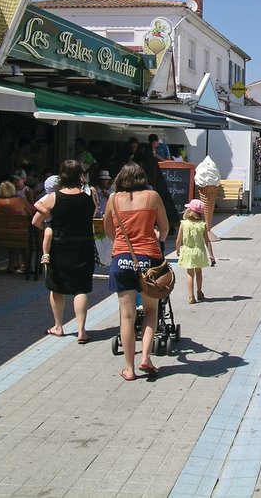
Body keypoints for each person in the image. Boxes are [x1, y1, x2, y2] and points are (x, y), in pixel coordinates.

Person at [104, 162, 170, 381]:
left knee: (127, 316)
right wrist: (156, 240)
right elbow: (165, 228)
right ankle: (146, 357)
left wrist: (122, 245)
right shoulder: (152, 197)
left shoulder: (113, 199)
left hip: (121, 259)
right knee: (151, 311)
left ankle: (129, 369)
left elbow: (108, 230)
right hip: (149, 259)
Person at [31, 161, 95, 344]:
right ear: (80, 176)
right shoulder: (88, 197)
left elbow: (36, 221)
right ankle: (82, 330)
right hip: (83, 246)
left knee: (57, 287)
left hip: (60, 247)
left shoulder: (53, 197)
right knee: (81, 288)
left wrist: (49, 226)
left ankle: (58, 326)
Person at [176, 198, 215, 304]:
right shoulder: (202, 225)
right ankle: (199, 291)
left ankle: (191, 296)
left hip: (187, 251)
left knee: (189, 274)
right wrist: (211, 255)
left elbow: (178, 240)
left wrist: (178, 249)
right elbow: (207, 241)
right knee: (198, 272)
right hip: (199, 252)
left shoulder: (183, 224)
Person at [0, 180, 34, 272]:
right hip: (22, 232)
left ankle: (11, 265)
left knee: (14, 237)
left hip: (6, 232)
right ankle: (27, 266)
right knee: (24, 237)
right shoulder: (20, 200)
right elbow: (32, 210)